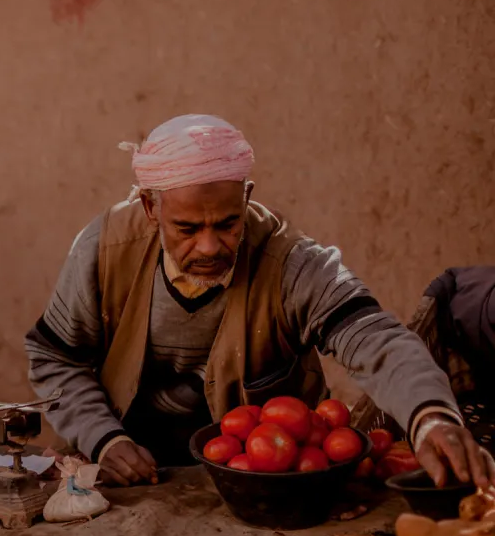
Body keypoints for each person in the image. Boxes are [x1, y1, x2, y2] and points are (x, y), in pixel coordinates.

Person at [25, 114, 495, 489]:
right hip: (132, 467)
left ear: (247, 198)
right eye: (187, 229)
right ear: (151, 210)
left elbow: (376, 338)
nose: (209, 247)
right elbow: (53, 357)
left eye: (228, 224)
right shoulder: (104, 251)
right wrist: (103, 439)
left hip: (269, 480)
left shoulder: (291, 263)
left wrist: (432, 418)